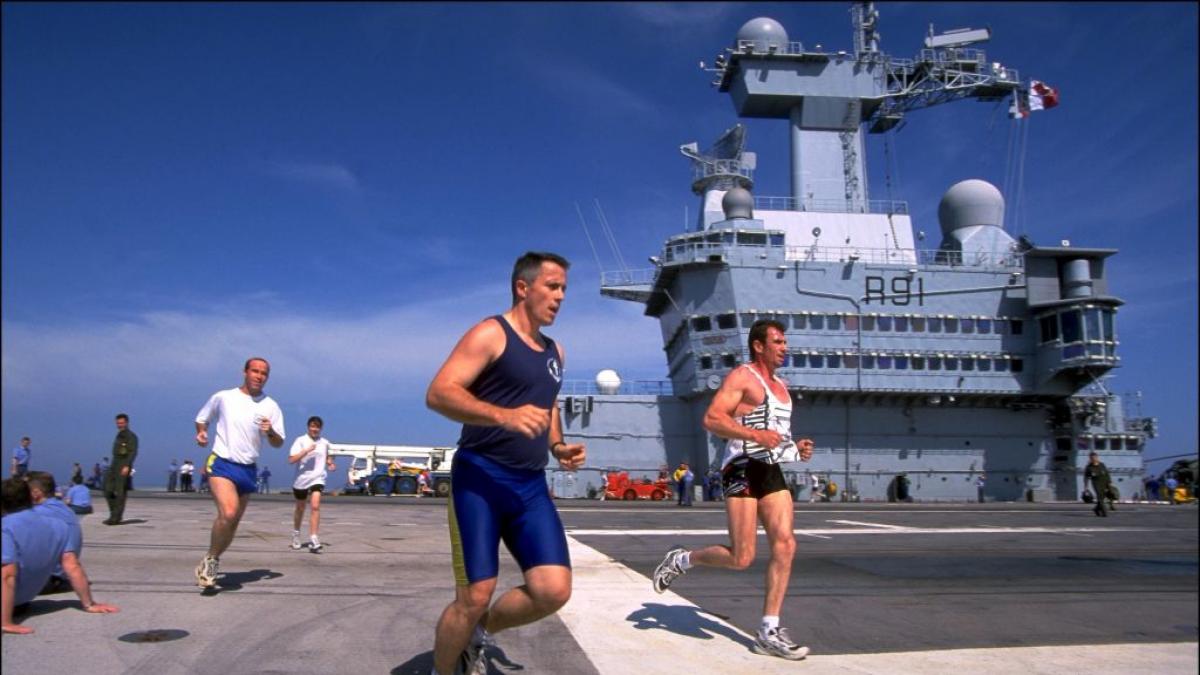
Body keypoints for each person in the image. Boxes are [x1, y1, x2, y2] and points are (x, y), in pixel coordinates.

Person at [425, 251, 586, 675]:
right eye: (552, 286)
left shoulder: (556, 352)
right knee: (474, 594)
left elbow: (546, 408)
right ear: (523, 287)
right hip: (480, 479)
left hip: (529, 487)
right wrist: (504, 415)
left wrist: (558, 446)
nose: (560, 297)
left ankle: (477, 633)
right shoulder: (490, 333)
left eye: (564, 289)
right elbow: (439, 392)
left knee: (553, 590)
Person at [652, 319, 814, 661]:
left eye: (785, 342)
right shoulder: (743, 377)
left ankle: (769, 630)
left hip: (770, 469)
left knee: (786, 543)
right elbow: (712, 419)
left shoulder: (782, 388)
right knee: (742, 557)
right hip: (740, 467)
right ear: (759, 345)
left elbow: (775, 436)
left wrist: (795, 449)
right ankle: (683, 559)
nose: (785, 347)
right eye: (778, 342)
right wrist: (755, 436)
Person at [193, 357, 285, 589]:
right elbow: (201, 418)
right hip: (222, 462)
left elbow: (278, 442)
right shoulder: (224, 397)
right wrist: (202, 432)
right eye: (254, 371)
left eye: (263, 373)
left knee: (232, 524)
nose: (258, 376)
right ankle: (212, 561)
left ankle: (209, 558)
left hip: (248, 469)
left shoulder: (270, 406)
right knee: (229, 512)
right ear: (245, 372)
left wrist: (271, 431)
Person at [2, 478, 118, 634]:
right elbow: (72, 566)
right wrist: (89, 604)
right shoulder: (58, 525)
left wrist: (5, 622)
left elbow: (8, 574)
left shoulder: (5, 527)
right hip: (21, 602)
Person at [25, 472, 84, 593]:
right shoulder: (65, 510)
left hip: (47, 579)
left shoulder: (38, 513)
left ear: (36, 492)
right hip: (62, 575)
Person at [289, 416, 335, 553]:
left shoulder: (325, 442)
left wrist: (330, 463)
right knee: (300, 508)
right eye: (312, 426)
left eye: (317, 427)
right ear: (308, 427)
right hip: (301, 479)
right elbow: (291, 459)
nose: (315, 429)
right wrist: (306, 451)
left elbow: (327, 456)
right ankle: (296, 533)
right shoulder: (300, 440)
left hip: (318, 478)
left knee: (315, 506)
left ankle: (314, 537)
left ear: (321, 428)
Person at [103, 413, 138, 525]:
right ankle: (114, 513)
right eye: (118, 423)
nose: (120, 425)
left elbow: (133, 452)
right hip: (115, 463)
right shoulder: (119, 435)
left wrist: (127, 466)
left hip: (123, 464)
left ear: (126, 423)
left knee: (120, 491)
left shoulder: (131, 436)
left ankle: (116, 517)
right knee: (107, 488)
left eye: (122, 423)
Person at [1083, 452, 1112, 517]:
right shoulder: (1089, 467)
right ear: (1090, 459)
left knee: (1103, 497)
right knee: (1100, 497)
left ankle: (1096, 509)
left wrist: (1109, 482)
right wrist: (1086, 487)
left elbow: (1107, 474)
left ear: (1097, 457)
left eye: (1095, 457)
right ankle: (1104, 512)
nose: (1093, 459)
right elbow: (1086, 477)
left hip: (1105, 483)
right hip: (1096, 484)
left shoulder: (1102, 465)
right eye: (1092, 458)